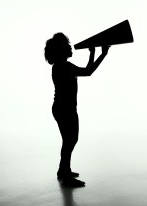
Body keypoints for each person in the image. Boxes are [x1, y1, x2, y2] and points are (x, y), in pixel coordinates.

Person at [44, 33, 109, 187]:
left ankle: (63, 170)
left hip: (61, 109)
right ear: (61, 51)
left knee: (69, 141)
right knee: (70, 141)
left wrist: (93, 53)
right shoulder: (65, 67)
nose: (70, 47)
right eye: (67, 45)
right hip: (65, 110)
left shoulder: (59, 66)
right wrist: (103, 54)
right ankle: (65, 176)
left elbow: (86, 70)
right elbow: (88, 72)